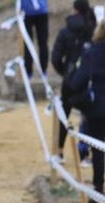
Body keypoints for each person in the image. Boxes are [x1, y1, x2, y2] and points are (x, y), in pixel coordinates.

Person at [67, 19, 105, 202]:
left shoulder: (91, 53)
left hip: (97, 108)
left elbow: (77, 81)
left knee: (98, 148)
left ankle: (98, 188)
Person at [52, 0, 95, 162]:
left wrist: (65, 72)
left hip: (69, 79)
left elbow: (56, 57)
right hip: (89, 79)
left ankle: (59, 152)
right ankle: (84, 154)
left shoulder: (65, 31)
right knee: (88, 116)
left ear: (74, 10)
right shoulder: (93, 30)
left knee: (64, 113)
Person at [22, 0, 50, 78]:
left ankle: (43, 70)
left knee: (43, 42)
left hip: (41, 12)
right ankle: (28, 71)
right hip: (26, 13)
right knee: (28, 43)